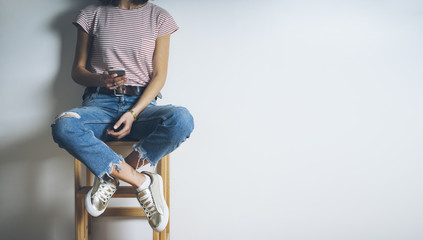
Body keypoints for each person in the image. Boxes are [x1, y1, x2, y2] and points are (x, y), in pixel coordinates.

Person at [51, 0, 194, 232]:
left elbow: (159, 76)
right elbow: (77, 71)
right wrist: (101, 79)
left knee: (182, 119)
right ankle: (141, 180)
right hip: (99, 104)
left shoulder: (159, 17)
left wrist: (133, 113)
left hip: (142, 107)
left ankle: (110, 176)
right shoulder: (91, 14)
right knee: (64, 126)